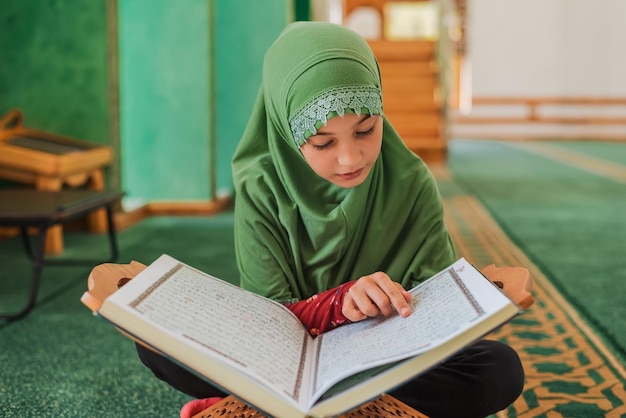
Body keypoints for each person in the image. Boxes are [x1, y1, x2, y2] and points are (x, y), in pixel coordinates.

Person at [136, 21, 524, 418]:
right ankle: (348, 408)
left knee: (498, 368)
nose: (350, 159)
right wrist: (341, 303)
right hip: (286, 358)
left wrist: (390, 306)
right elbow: (268, 320)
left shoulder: (409, 181)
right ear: (287, 133)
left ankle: (262, 406)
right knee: (156, 343)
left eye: (366, 130)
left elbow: (439, 311)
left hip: (384, 361)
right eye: (323, 142)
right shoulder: (262, 187)